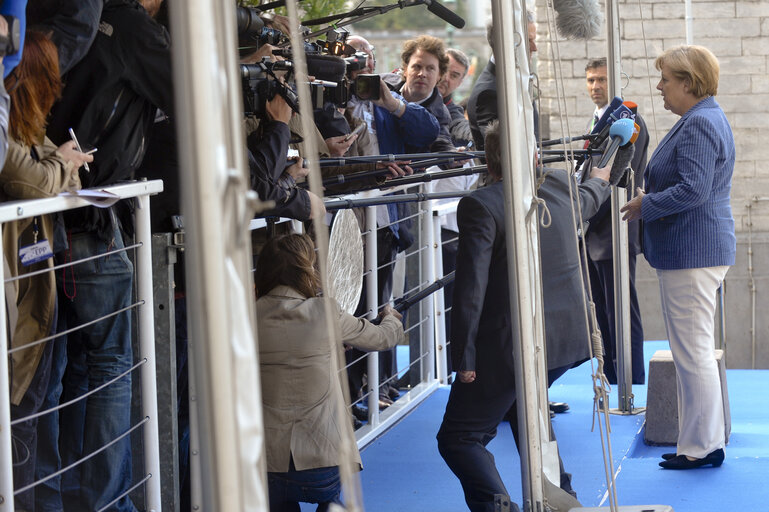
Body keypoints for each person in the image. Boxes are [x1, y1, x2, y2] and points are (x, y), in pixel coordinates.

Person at [436, 119, 611, 511]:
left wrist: (463, 358)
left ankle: (501, 507)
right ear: (534, 156)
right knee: (523, 407)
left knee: (459, 437)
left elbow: (470, 290)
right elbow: (591, 197)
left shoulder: (480, 205)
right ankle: (563, 497)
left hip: (508, 347)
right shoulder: (562, 186)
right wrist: (601, 176)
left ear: (488, 159)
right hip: (563, 342)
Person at [40, 1, 173, 510]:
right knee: (111, 362)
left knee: (55, 371)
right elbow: (196, 98)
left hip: (52, 215)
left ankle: (52, 499)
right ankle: (103, 502)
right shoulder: (134, 27)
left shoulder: (74, 20)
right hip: (91, 216)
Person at [621, 44, 735, 470]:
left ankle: (702, 447)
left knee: (693, 353)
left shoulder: (700, 123)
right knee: (693, 351)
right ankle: (701, 441)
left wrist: (643, 205)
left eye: (666, 80)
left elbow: (693, 189)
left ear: (688, 83)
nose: (660, 86)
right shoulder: (700, 118)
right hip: (693, 249)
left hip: (693, 251)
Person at [0, 30, 91, 511]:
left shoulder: (28, 126)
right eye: (49, 78)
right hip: (18, 302)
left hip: (37, 292)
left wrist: (64, 163)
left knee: (32, 416)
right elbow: (33, 180)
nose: (57, 89)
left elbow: (58, 168)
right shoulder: (8, 131)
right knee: (19, 422)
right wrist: (63, 164)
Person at [255, 233, 404, 510]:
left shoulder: (245, 316)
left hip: (266, 463)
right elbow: (382, 338)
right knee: (330, 500)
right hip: (322, 463)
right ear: (307, 270)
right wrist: (391, 319)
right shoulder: (325, 312)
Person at [583, 57, 648, 385]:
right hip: (593, 233)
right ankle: (612, 377)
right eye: (591, 80)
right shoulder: (599, 119)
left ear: (618, 82)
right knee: (602, 315)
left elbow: (618, 178)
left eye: (602, 80)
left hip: (614, 230)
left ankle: (632, 381)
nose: (596, 86)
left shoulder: (629, 120)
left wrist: (582, 205)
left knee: (622, 310)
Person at [437, 47, 472, 147]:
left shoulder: (452, 112)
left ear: (459, 83)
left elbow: (460, 127)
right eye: (444, 69)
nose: (445, 78)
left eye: (454, 76)